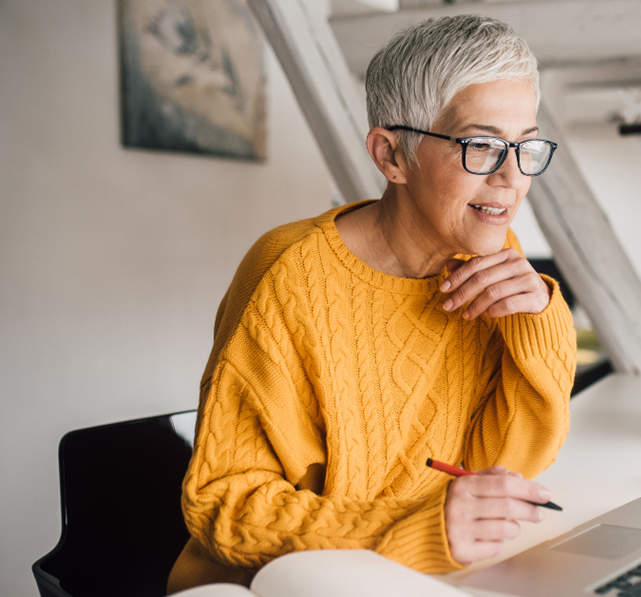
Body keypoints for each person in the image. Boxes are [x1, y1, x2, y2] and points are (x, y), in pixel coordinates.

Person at [166, 14, 576, 593]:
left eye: (526, 145)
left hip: (406, 578)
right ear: (391, 156)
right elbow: (225, 505)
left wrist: (539, 322)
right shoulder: (289, 274)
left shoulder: (486, 259)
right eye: (481, 145)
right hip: (264, 585)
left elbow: (505, 467)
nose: (512, 177)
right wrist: (412, 527)